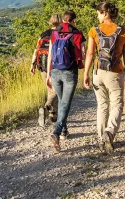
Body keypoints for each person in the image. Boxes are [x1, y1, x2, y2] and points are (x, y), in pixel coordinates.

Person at [84, 2, 125, 154]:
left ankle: (101, 139)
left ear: (105, 13)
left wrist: (86, 73)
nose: (97, 16)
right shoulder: (124, 31)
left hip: (98, 72)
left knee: (102, 105)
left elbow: (90, 54)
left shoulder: (94, 30)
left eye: (98, 13)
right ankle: (110, 132)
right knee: (117, 104)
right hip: (115, 72)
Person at [46, 10, 85, 152]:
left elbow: (50, 53)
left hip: (55, 71)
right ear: (74, 20)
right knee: (65, 104)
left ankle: (64, 131)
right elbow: (83, 54)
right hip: (70, 71)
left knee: (62, 101)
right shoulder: (78, 34)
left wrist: (49, 74)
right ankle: (56, 132)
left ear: (63, 19)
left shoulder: (54, 33)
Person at [30, 13, 62, 127]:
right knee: (57, 90)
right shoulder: (60, 34)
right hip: (55, 66)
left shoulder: (44, 34)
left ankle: (53, 115)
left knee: (50, 89)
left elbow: (36, 49)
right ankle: (47, 106)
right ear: (60, 21)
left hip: (42, 66)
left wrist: (32, 64)